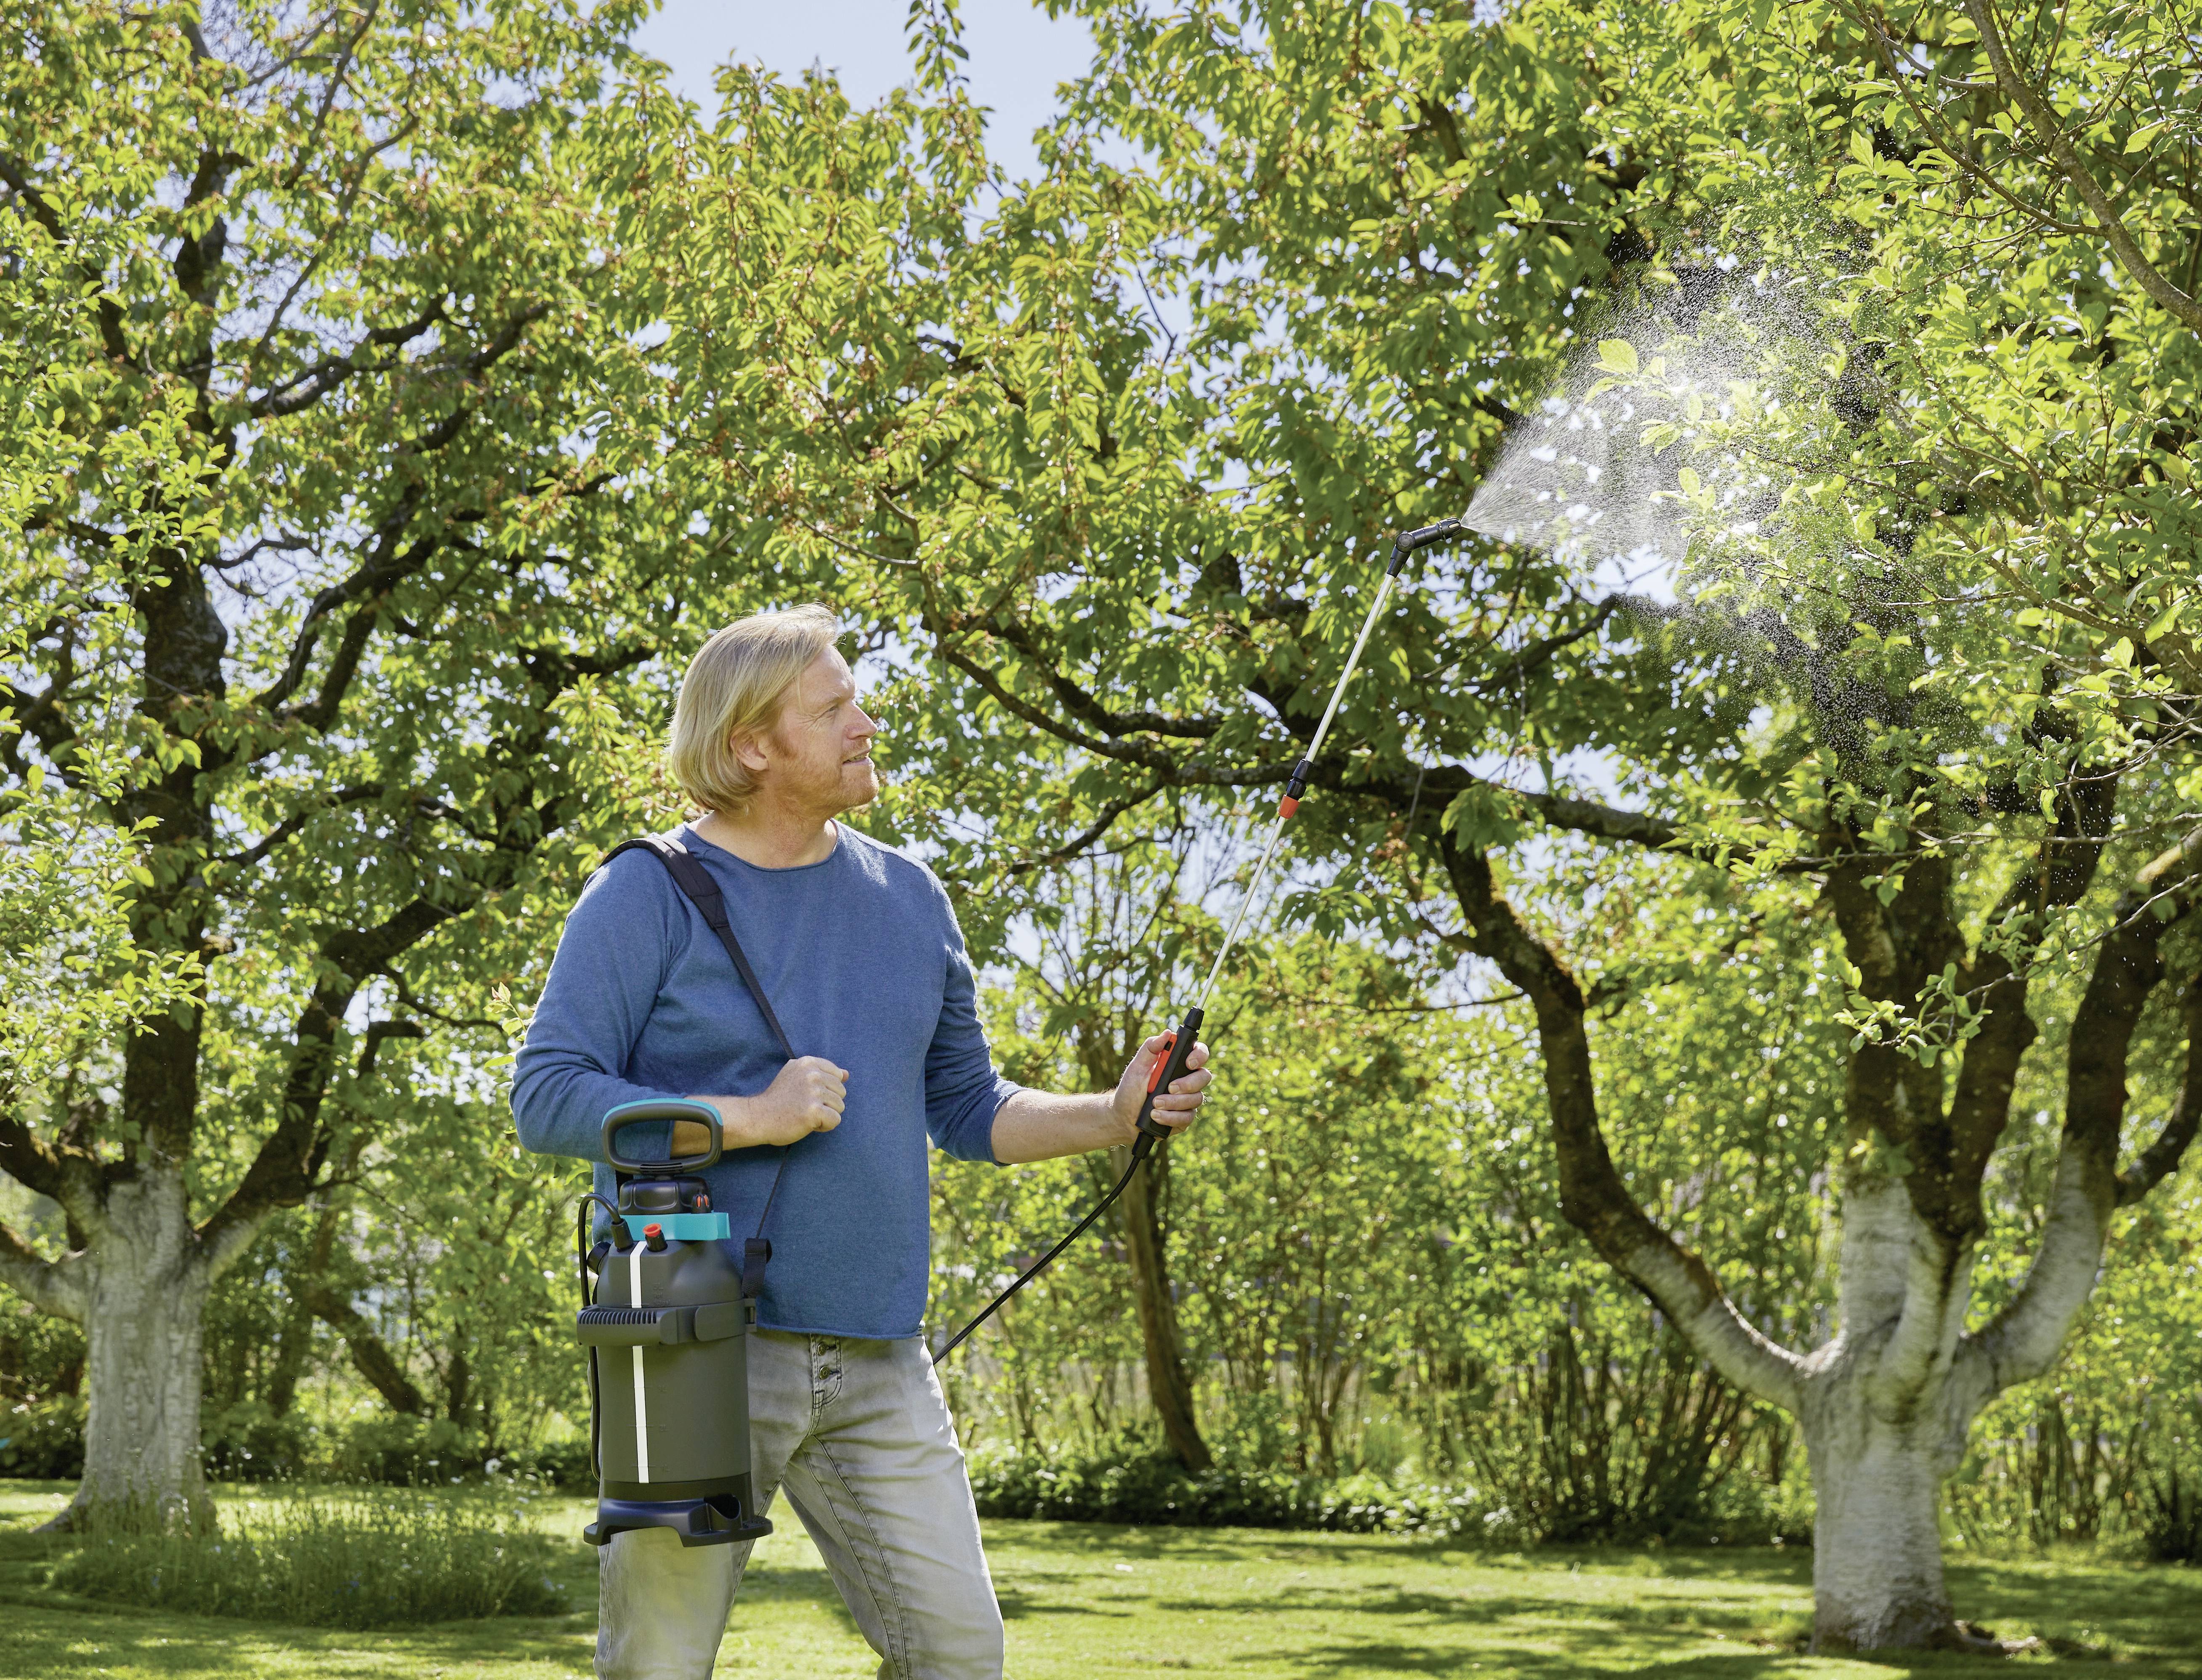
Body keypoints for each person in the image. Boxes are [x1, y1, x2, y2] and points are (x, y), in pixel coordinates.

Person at [511, 604, 1213, 1680]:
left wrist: (1116, 1111)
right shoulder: (640, 893)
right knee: (659, 1663)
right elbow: (547, 1096)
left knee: (961, 1655)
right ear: (754, 745)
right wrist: (749, 1115)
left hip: (884, 1352)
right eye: (834, 707)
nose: (867, 722)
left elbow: (970, 1106)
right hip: (690, 1339)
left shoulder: (910, 899)